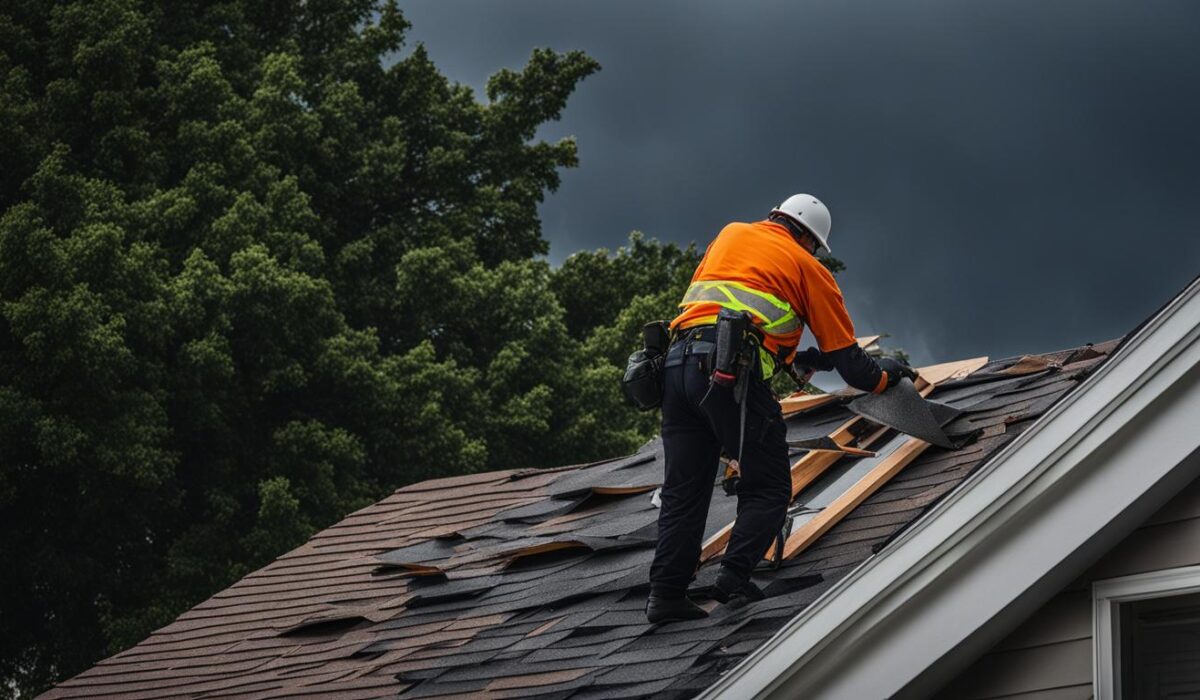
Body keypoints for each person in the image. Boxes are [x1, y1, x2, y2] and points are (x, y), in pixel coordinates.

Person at [645, 193, 916, 623]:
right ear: (810, 239)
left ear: (776, 217)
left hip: (677, 370)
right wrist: (886, 374)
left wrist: (796, 359)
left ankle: (665, 596)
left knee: (685, 489)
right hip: (727, 374)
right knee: (769, 485)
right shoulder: (810, 268)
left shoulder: (732, 234)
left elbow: (727, 313)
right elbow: (852, 366)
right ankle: (733, 578)